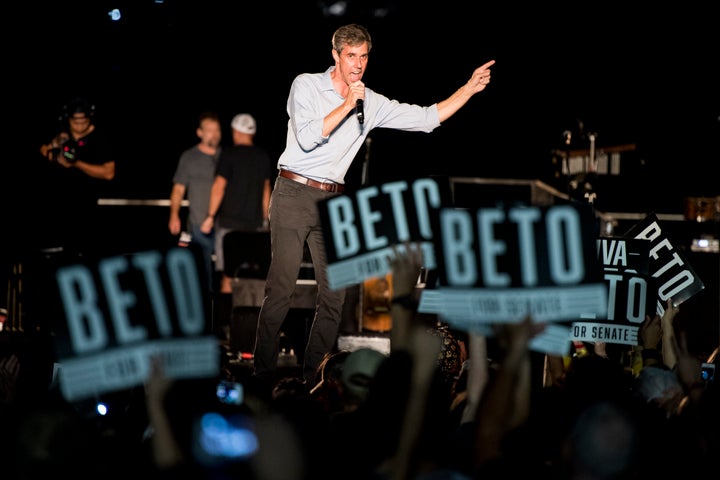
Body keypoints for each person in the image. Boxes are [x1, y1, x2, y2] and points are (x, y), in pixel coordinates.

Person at [252, 23, 495, 386]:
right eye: (351, 56)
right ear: (335, 55)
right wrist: (349, 104)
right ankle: (262, 377)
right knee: (282, 288)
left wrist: (468, 89)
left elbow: (427, 119)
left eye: (364, 57)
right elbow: (305, 139)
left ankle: (313, 379)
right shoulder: (306, 85)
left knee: (335, 294)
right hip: (293, 191)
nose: (358, 65)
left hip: (333, 201)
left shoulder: (373, 102)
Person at [202, 113, 273, 295]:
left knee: (227, 276)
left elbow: (219, 187)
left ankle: (226, 321)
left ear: (236, 132)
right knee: (255, 277)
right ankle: (255, 317)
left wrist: (210, 216)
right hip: (255, 229)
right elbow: (267, 192)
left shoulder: (229, 155)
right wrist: (266, 221)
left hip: (229, 228)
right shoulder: (263, 157)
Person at [37, 97, 116, 257]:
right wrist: (53, 148)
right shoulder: (62, 133)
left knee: (84, 250)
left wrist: (76, 164)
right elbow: (43, 149)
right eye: (75, 121)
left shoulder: (101, 138)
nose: (79, 125)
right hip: (59, 205)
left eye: (83, 121)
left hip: (87, 206)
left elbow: (109, 173)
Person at [168, 111, 222, 294]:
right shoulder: (189, 157)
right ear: (199, 133)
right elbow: (178, 189)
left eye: (217, 130)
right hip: (198, 225)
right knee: (202, 274)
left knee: (226, 273)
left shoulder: (227, 156)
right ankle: (205, 315)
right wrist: (174, 215)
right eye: (209, 130)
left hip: (225, 224)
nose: (213, 134)